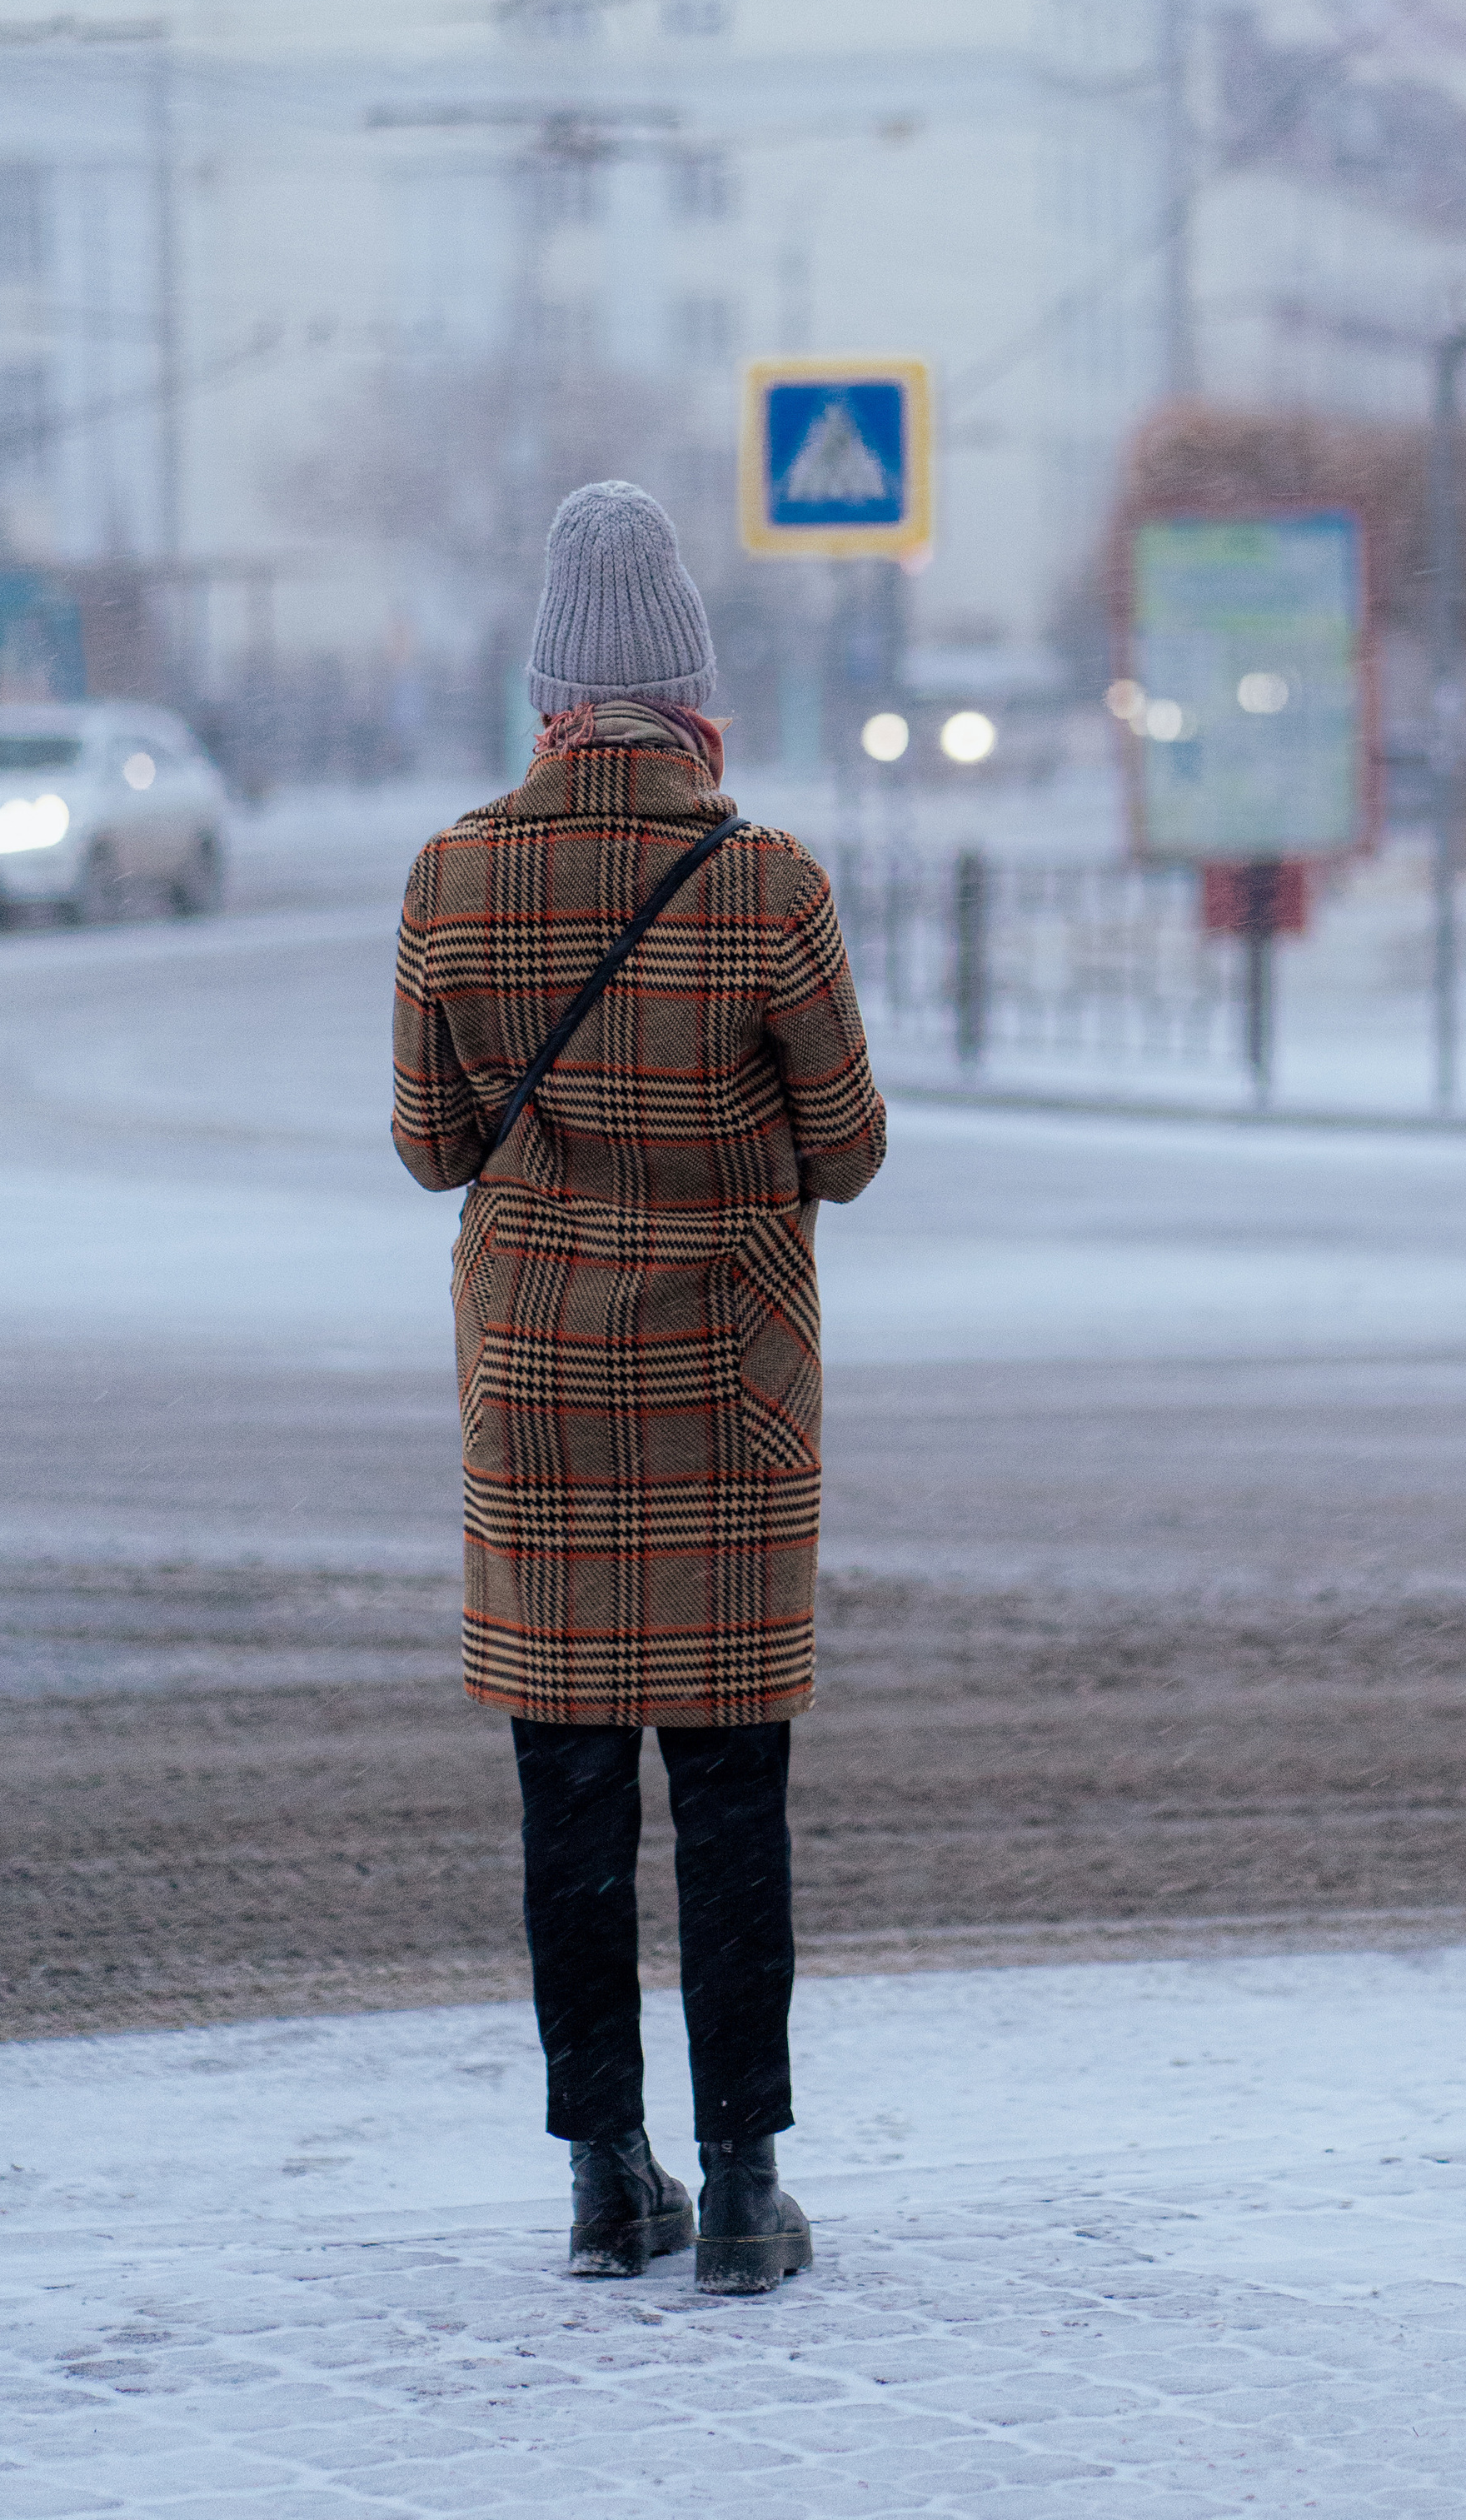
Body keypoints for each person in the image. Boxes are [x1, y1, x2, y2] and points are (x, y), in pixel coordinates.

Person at [391, 480, 886, 2288]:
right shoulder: (765, 881)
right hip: (724, 1397)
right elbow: (847, 1151)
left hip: (535, 1394)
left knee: (572, 1793)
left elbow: (429, 1147)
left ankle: (606, 2177)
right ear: (688, 696)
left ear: (545, 698)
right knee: (733, 1792)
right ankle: (745, 2189)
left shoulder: (452, 874)